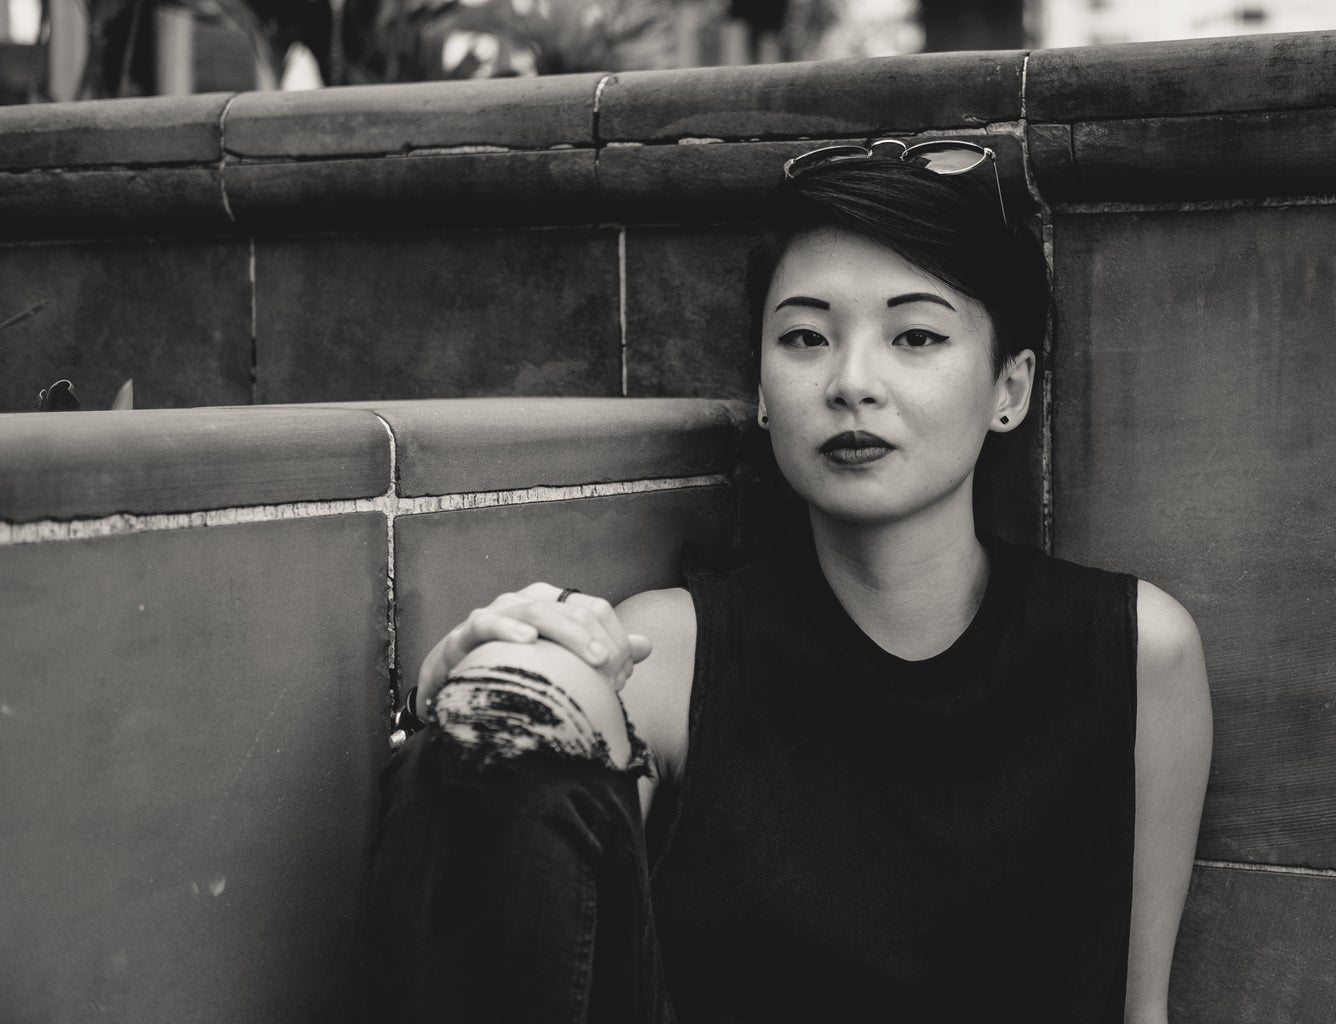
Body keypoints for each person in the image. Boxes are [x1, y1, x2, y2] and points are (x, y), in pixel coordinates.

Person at [364, 139, 1212, 1024]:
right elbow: (517, 858)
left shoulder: (1135, 653)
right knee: (521, 681)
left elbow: (1137, 1011)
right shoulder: (673, 653)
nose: (851, 383)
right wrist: (452, 717)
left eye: (915, 336)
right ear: (763, 392)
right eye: (805, 337)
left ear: (1011, 386)